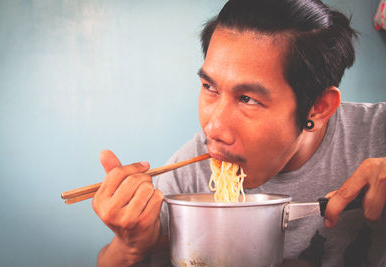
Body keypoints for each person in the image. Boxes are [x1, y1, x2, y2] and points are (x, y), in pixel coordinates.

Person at [92, 0, 386, 266]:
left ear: (318, 107)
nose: (213, 128)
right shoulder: (191, 172)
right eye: (210, 87)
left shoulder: (377, 134)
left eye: (247, 99)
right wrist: (130, 246)